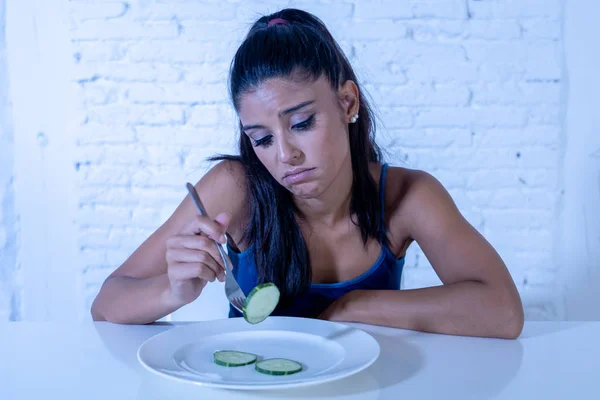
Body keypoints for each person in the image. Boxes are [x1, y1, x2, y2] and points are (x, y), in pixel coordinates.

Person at [91, 8, 524, 339]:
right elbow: (106, 304)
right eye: (261, 139)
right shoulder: (234, 189)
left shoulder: (408, 195)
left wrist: (352, 307)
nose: (285, 156)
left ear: (347, 104)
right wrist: (173, 292)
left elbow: (503, 311)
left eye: (301, 124)